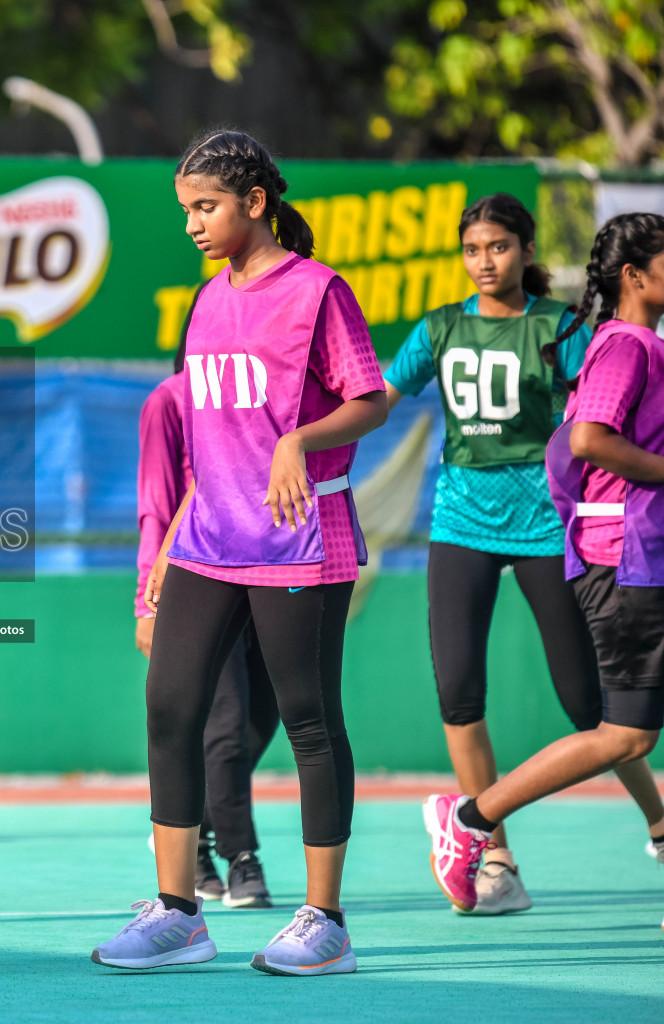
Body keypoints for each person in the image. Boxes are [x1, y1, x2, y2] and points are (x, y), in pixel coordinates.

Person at [92, 129, 389, 978]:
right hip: (207, 541)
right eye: (186, 209)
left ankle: (324, 922)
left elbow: (369, 400)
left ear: (255, 203)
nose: (192, 224)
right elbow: (210, 439)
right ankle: (180, 912)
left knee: (309, 720)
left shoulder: (318, 291)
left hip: (298, 542)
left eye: (206, 207)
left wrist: (302, 438)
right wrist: (168, 544)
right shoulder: (207, 301)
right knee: (169, 706)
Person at [385, 194, 664, 915]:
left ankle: (658, 823)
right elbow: (377, 397)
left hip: (547, 527)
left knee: (588, 703)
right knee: (458, 692)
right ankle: (493, 858)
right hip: (461, 523)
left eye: (500, 247)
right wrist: (301, 431)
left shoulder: (564, 329)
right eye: (474, 248)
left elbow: (593, 418)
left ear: (526, 249)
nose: (486, 261)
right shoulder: (441, 328)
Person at [136, 331, 279, 909]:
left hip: (271, 571)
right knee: (224, 722)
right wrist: (148, 603)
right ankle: (242, 856)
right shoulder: (170, 399)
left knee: (264, 718)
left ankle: (186, 833)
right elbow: (156, 501)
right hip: (199, 579)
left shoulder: (265, 393)